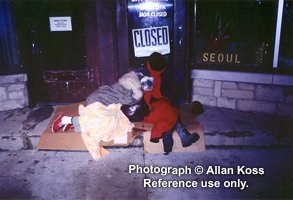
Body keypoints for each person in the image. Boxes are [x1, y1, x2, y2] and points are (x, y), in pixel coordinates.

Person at [140, 52, 200, 153]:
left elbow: (180, 87)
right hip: (153, 104)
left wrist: (171, 97)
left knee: (168, 107)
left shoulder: (169, 70)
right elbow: (144, 93)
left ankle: (167, 139)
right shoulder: (145, 72)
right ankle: (183, 135)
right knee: (168, 109)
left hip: (169, 100)